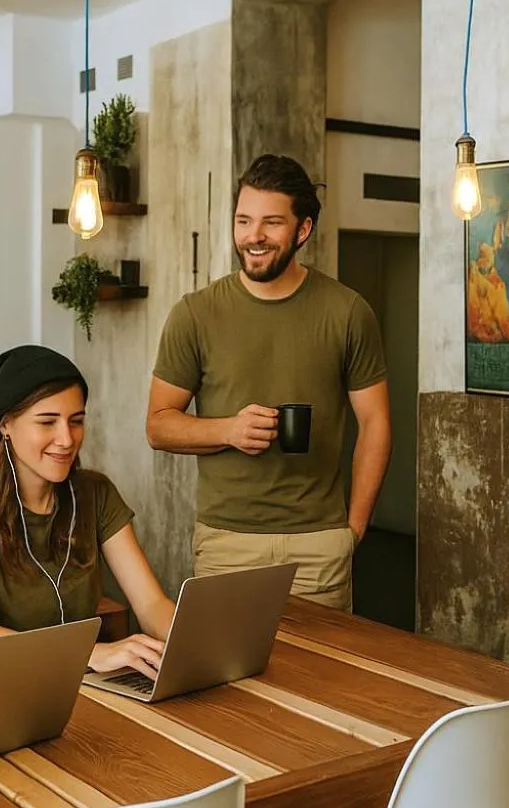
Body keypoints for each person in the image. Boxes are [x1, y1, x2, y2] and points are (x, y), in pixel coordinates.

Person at [146, 153, 391, 610]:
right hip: (227, 544)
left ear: (302, 230)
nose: (253, 236)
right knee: (225, 680)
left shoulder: (348, 312)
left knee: (322, 681)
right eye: (243, 220)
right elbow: (158, 425)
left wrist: (352, 531)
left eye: (271, 222)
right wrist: (228, 430)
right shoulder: (195, 314)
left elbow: (375, 424)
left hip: (320, 545)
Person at [0, 346, 175, 679]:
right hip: (4, 685)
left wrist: (191, 641)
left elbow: (150, 605)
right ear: (5, 425)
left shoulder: (95, 492)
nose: (66, 439)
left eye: (76, 421)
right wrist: (92, 654)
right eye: (47, 422)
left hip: (81, 683)